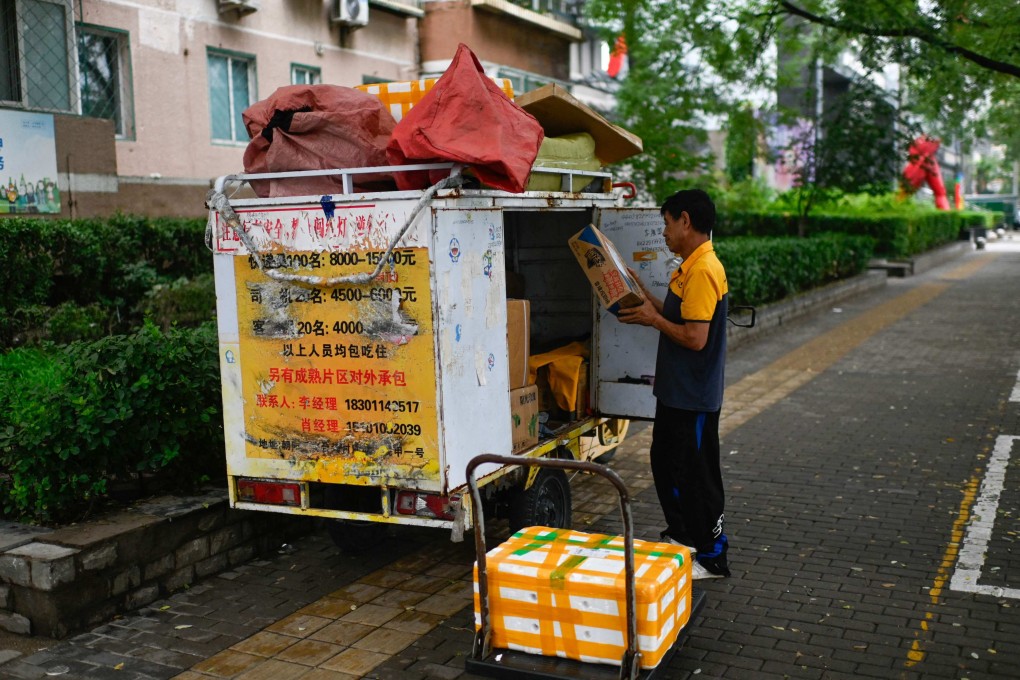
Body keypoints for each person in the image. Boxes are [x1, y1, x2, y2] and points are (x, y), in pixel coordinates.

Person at [617, 188, 731, 579]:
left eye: (666, 223)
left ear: (685, 220)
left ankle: (712, 555)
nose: (663, 231)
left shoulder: (702, 270)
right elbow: (676, 314)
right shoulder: (689, 266)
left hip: (693, 396)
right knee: (667, 464)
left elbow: (695, 338)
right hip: (675, 392)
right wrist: (641, 293)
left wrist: (652, 319)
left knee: (697, 475)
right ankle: (683, 537)